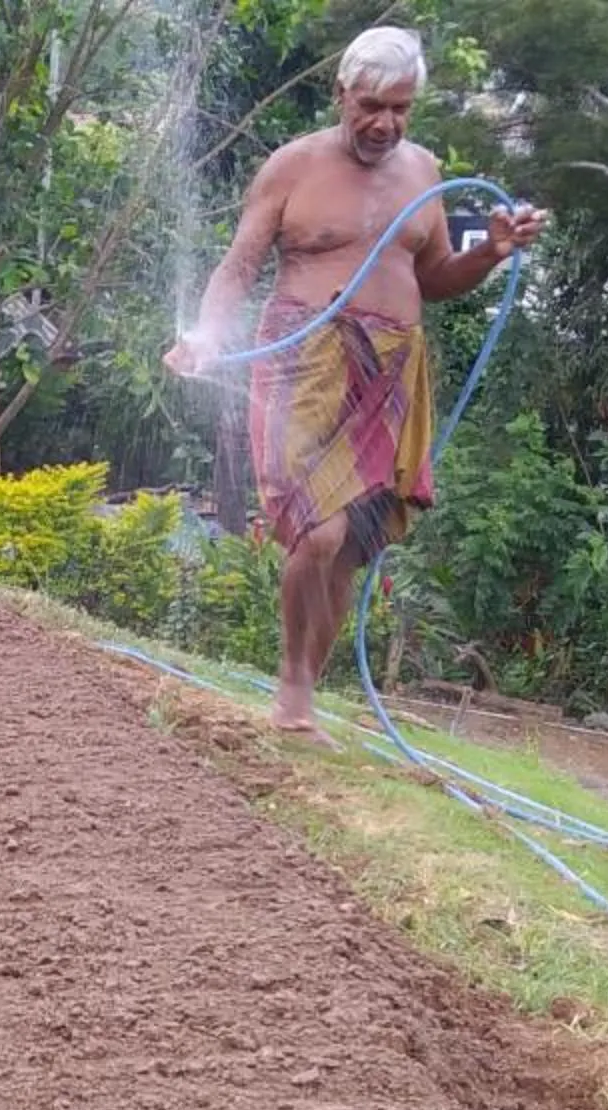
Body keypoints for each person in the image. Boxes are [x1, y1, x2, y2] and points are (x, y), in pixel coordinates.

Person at [166, 25, 547, 741]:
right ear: (341, 94)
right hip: (304, 365)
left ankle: (302, 698)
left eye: (402, 107)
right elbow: (239, 267)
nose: (386, 123)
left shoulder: (423, 171)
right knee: (316, 532)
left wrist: (491, 253)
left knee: (351, 546)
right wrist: (207, 335)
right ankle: (290, 684)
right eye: (372, 104)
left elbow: (431, 279)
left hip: (393, 371)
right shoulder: (292, 167)